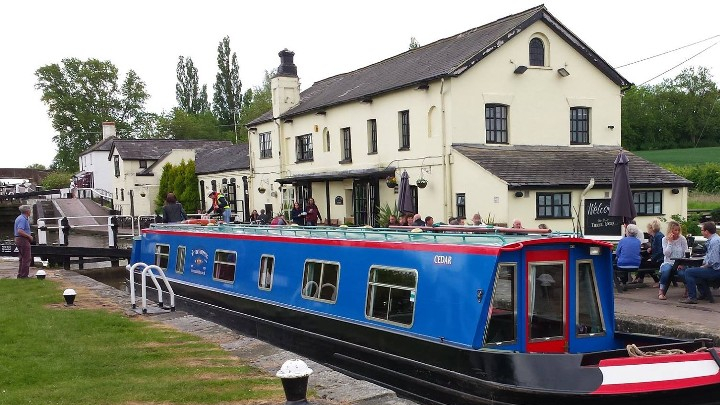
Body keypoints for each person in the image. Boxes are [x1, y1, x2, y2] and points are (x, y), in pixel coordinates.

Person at [681, 222, 720, 304]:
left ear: (707, 231)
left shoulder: (715, 242)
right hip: (715, 269)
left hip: (716, 270)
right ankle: (704, 294)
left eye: (702, 230)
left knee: (689, 272)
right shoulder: (714, 239)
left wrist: (705, 265)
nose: (701, 232)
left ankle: (692, 297)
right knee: (694, 270)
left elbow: (714, 260)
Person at [657, 220, 688, 300]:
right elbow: (666, 254)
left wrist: (682, 263)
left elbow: (686, 252)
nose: (677, 232)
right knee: (666, 271)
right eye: (675, 230)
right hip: (668, 262)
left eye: (678, 230)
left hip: (680, 262)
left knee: (682, 273)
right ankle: (661, 291)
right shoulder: (664, 239)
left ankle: (687, 289)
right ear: (671, 230)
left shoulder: (682, 239)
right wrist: (670, 243)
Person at [631, 219, 663, 284]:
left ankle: (640, 278)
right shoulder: (655, 236)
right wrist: (651, 248)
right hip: (657, 258)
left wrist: (652, 258)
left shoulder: (658, 237)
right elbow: (657, 248)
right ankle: (640, 278)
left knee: (645, 263)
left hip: (660, 259)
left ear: (651, 228)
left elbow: (661, 250)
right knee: (643, 261)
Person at [14, 205, 33, 278]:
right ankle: (24, 275)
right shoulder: (22, 219)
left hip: (19, 239)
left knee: (22, 258)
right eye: (30, 210)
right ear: (27, 211)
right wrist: (29, 236)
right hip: (22, 239)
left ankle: (20, 274)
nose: (30, 211)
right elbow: (20, 231)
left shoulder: (20, 218)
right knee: (26, 258)